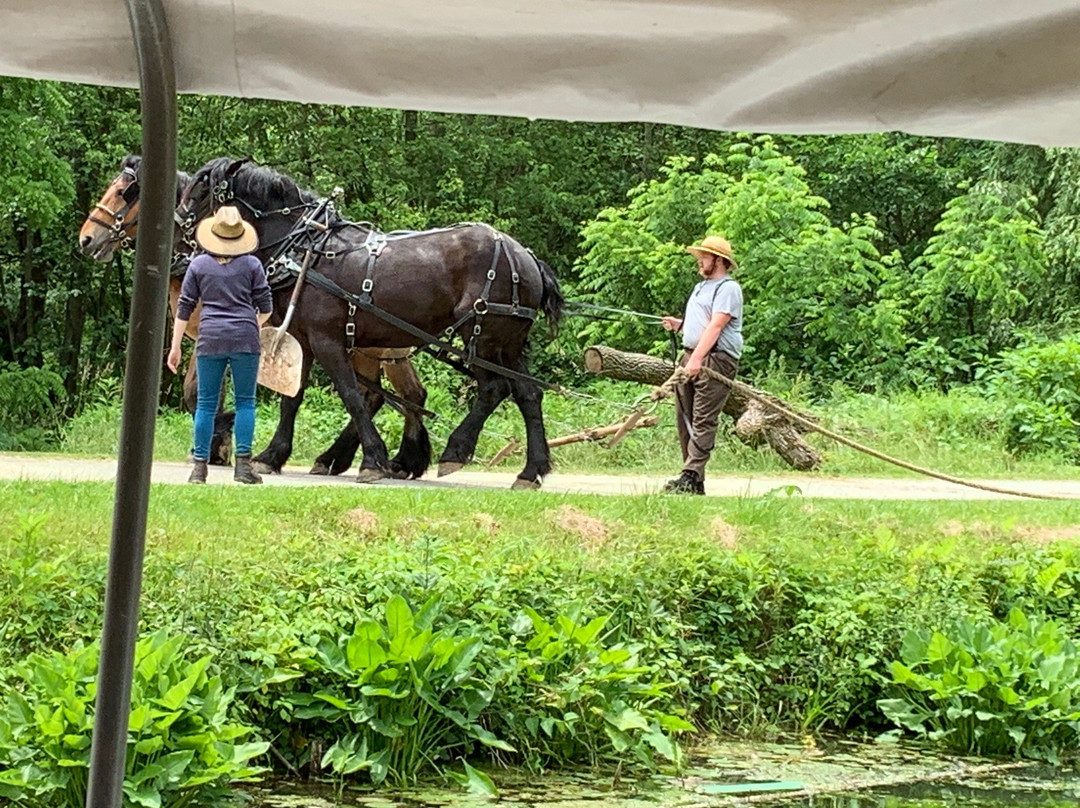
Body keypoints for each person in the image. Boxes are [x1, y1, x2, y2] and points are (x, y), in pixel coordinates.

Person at [166, 206, 273, 484]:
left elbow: (184, 308)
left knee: (205, 404)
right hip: (244, 339)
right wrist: (253, 324)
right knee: (245, 402)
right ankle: (243, 466)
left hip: (209, 337)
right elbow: (266, 307)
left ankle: (199, 468)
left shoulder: (199, 265)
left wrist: (175, 347)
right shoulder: (252, 265)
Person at [660, 235, 744, 495]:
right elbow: (702, 322)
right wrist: (681, 325)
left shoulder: (728, 288)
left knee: (703, 419)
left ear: (719, 261)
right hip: (692, 355)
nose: (700, 261)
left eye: (704, 257)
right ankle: (694, 479)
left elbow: (717, 325)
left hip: (715, 359)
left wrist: (697, 358)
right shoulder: (701, 287)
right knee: (684, 417)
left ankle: (689, 475)